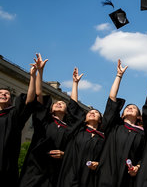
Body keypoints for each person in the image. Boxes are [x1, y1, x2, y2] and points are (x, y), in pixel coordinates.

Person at [20, 55, 86, 187]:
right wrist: (40, 71)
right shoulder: (45, 121)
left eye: (62, 103)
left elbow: (73, 105)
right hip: (35, 169)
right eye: (56, 103)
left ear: (67, 111)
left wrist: (75, 84)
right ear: (50, 109)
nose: (59, 104)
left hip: (56, 172)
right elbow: (39, 94)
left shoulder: (69, 128)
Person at [96, 60, 145, 187]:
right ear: (122, 115)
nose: (130, 108)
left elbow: (143, 154)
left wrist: (137, 167)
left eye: (134, 108)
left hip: (127, 177)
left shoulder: (142, 134)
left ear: (139, 116)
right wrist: (119, 76)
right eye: (127, 107)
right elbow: (112, 100)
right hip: (107, 173)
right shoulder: (114, 127)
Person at [57, 68, 105, 187]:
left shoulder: (103, 138)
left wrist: (98, 164)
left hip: (90, 178)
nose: (92, 112)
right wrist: (75, 83)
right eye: (89, 112)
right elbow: (73, 107)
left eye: (96, 112)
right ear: (84, 118)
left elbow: (105, 158)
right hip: (70, 176)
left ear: (100, 120)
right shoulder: (77, 131)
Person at [0, 55, 38, 186]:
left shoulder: (13, 115)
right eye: (0, 93)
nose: (3, 94)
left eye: (7, 93)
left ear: (11, 100)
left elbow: (29, 100)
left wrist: (32, 76)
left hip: (6, 168)